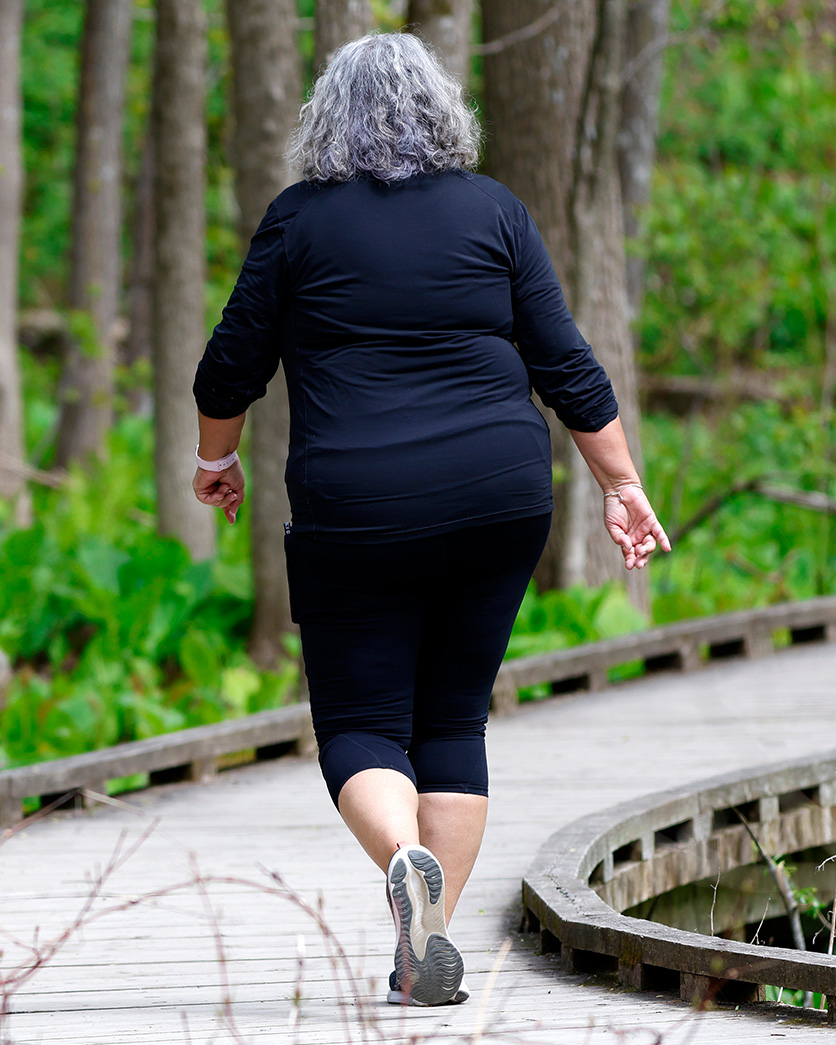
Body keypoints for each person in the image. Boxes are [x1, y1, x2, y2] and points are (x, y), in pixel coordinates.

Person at [188, 33, 671, 1007]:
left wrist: (216, 458)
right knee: (453, 713)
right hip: (498, 492)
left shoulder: (299, 221)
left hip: (354, 500)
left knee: (364, 719)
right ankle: (425, 948)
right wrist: (620, 485)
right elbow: (565, 364)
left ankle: (404, 860)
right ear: (444, 112)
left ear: (326, 117)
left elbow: (228, 367)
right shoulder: (492, 211)